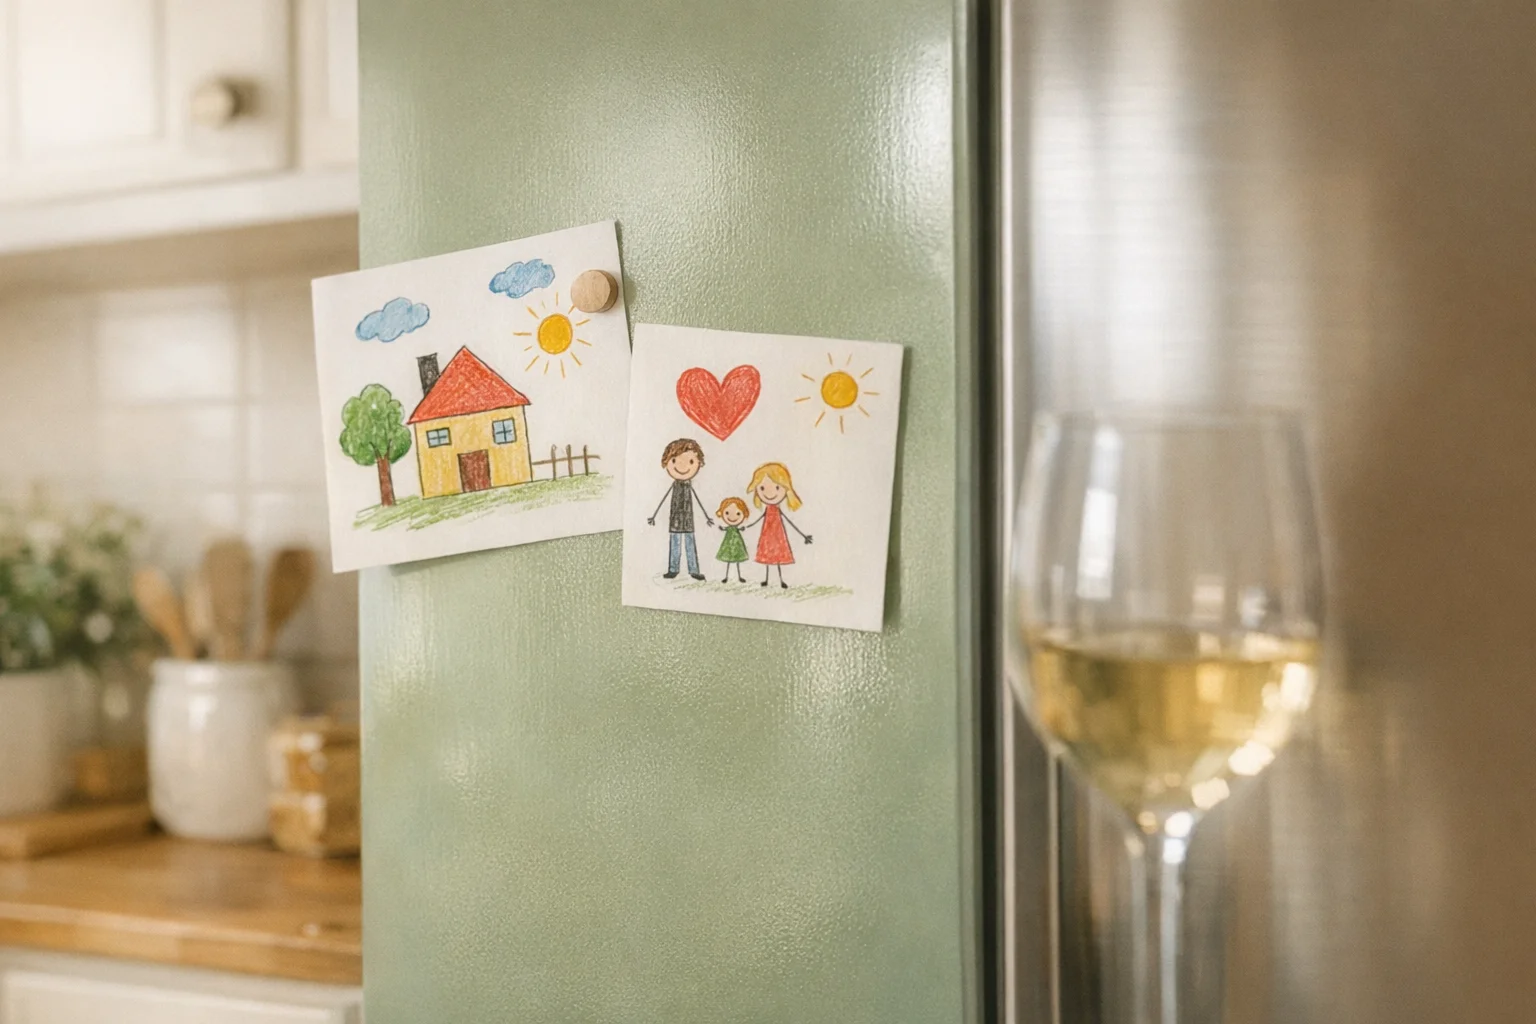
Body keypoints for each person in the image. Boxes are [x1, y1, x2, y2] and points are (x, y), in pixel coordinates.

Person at [647, 438, 713, 580]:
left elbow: (697, 500)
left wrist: (707, 517)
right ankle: (673, 569)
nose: (682, 467)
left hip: (688, 518)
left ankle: (694, 570)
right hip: (675, 518)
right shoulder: (675, 485)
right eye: (675, 461)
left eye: (690, 462)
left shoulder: (689, 486)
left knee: (690, 542)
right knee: (675, 541)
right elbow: (664, 498)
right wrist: (654, 516)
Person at [743, 462, 812, 589]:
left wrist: (803, 535)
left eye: (777, 488)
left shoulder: (777, 510)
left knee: (777, 557)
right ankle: (767, 580)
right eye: (762, 488)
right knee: (768, 557)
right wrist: (748, 526)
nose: (769, 493)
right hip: (767, 535)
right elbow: (759, 519)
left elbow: (788, 521)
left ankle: (781, 580)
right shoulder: (768, 509)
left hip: (778, 534)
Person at [715, 497, 751, 583]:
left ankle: (739, 576)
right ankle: (726, 577)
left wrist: (741, 529)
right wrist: (722, 528)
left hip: (737, 544)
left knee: (737, 560)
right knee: (728, 560)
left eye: (738, 514)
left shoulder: (735, 529)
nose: (732, 517)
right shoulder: (730, 529)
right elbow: (725, 528)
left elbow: (738, 529)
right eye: (727, 513)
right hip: (728, 544)